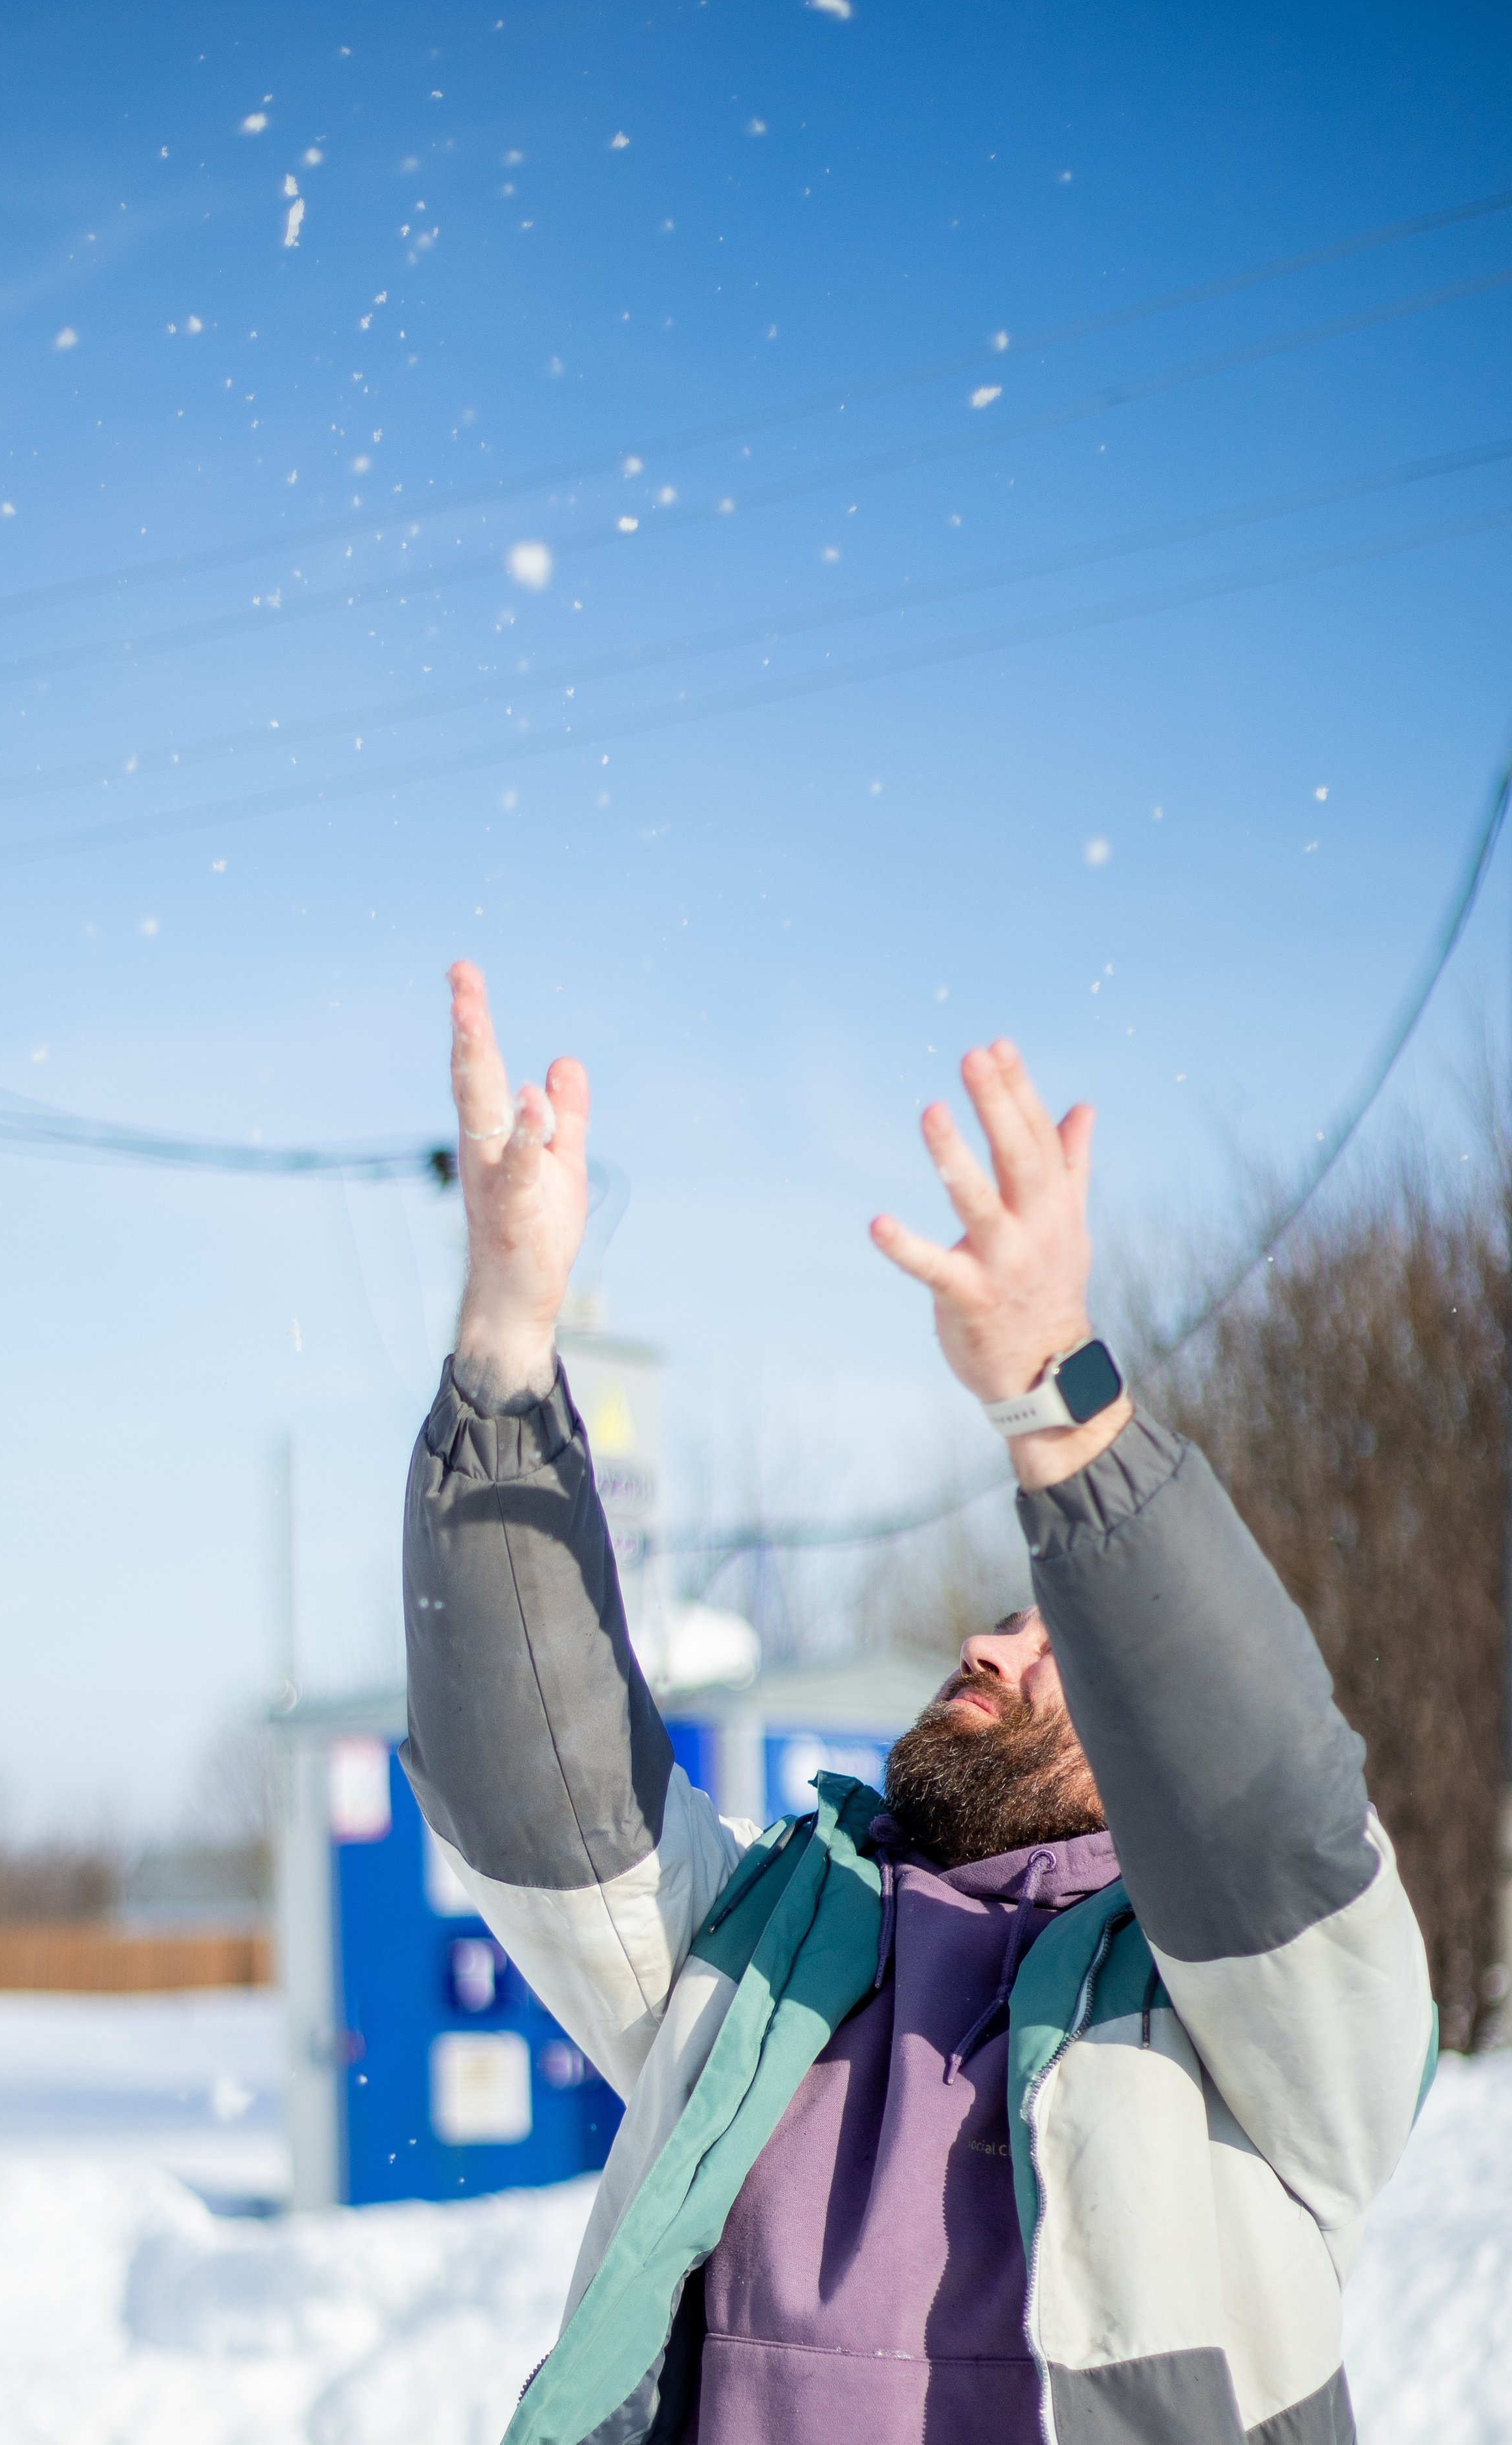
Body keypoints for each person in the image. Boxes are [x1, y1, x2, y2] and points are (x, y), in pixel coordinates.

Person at [402, 960, 1434, 2445]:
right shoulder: (756, 1946)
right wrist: (504, 1347)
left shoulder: (1259, 2023)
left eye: (1049, 1640)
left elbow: (1256, 1800)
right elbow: (535, 1782)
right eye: (1002, 1622)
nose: (983, 1645)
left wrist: (1052, 1403)